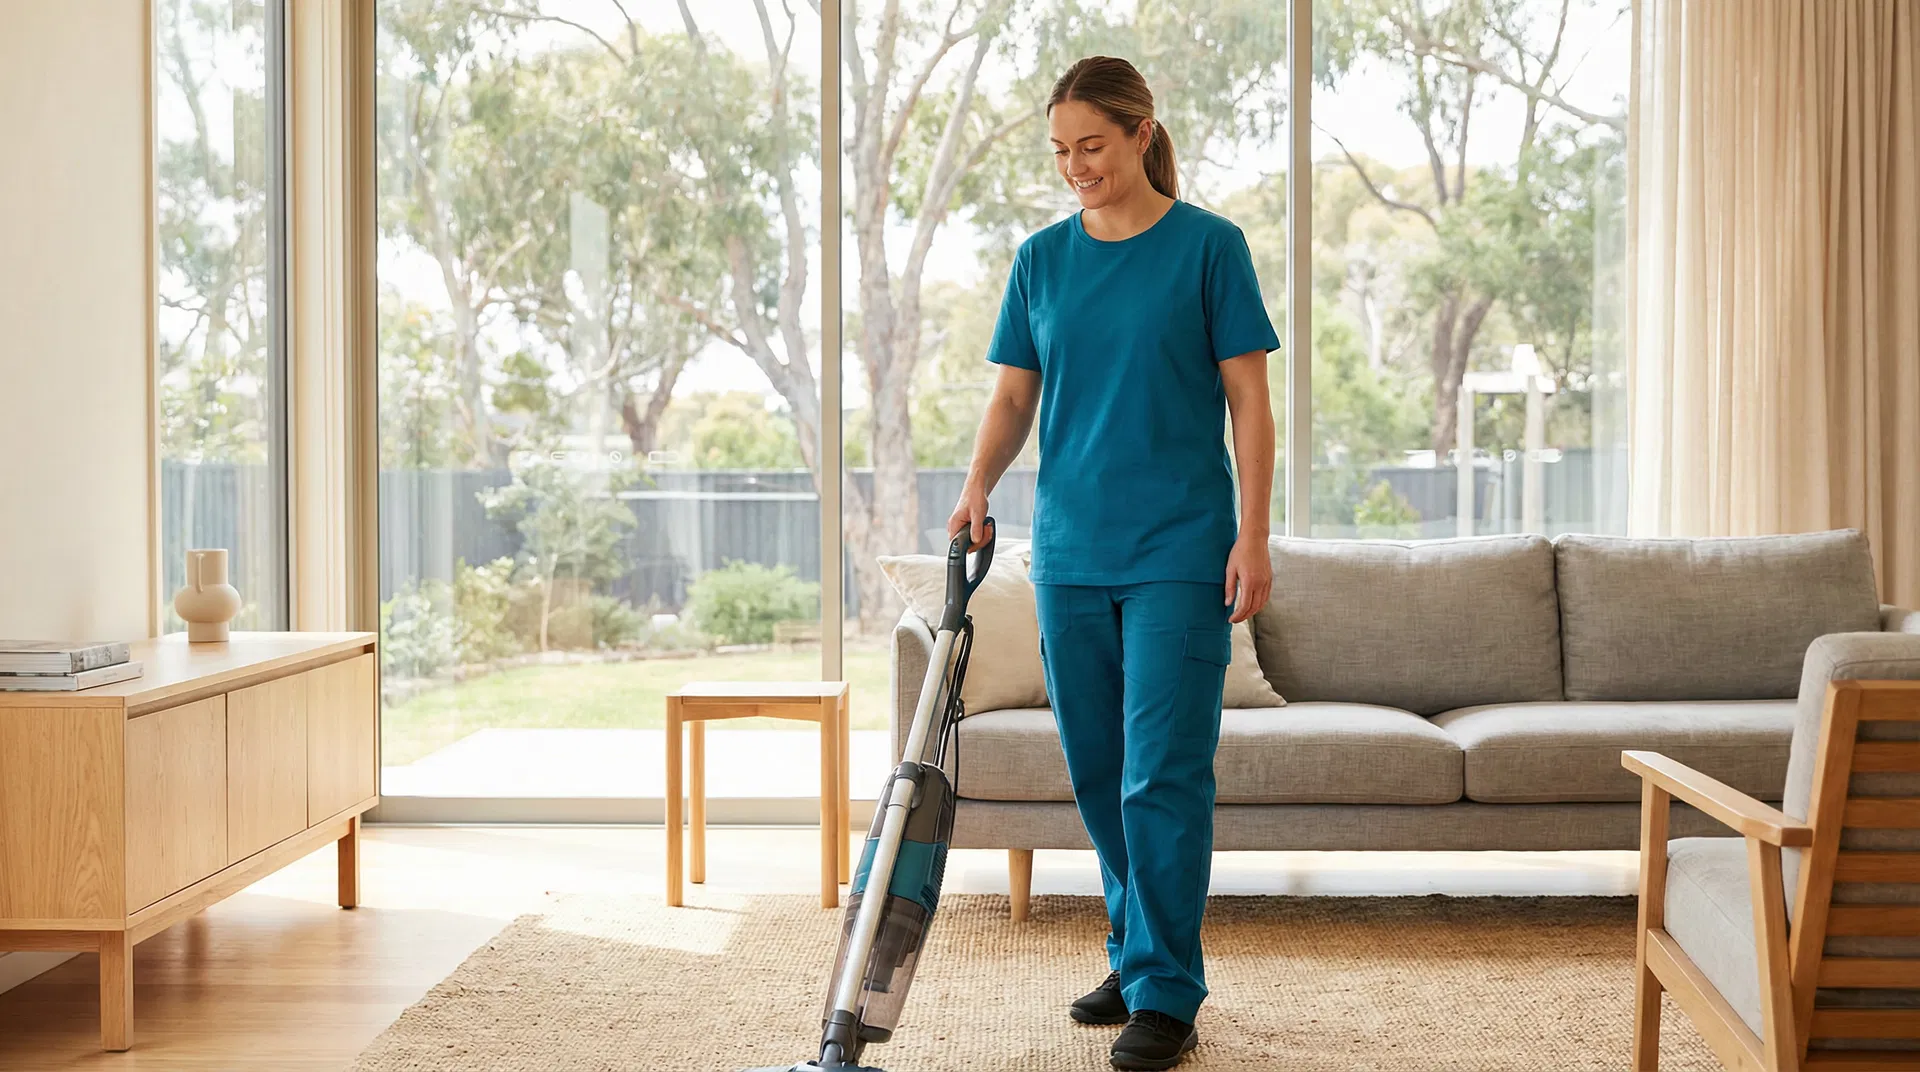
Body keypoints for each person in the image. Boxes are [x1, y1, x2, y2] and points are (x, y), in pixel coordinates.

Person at [946, 54, 1279, 1072]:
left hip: (1181, 548)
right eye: (1060, 151)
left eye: (1092, 145)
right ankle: (1137, 959)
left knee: (1160, 776)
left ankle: (1168, 992)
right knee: (1098, 774)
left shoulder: (1210, 248)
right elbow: (1013, 399)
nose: (1075, 166)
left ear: (1141, 133)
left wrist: (1254, 534)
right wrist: (975, 487)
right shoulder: (1042, 262)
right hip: (1071, 552)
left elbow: (1250, 404)